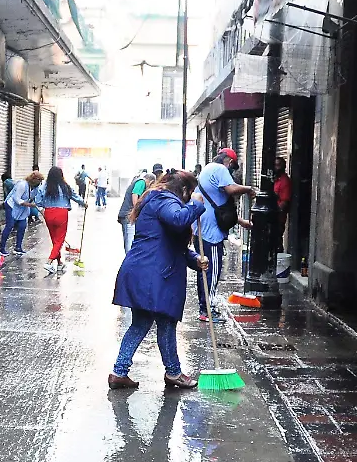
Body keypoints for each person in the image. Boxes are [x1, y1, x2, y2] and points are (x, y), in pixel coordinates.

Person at [109, 171, 209, 390]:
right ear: (183, 190)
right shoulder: (164, 199)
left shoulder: (156, 199)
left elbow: (172, 243)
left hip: (148, 270)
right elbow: (178, 219)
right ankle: (173, 373)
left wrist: (195, 259)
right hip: (154, 274)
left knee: (142, 323)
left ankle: (119, 372)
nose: (189, 197)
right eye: (189, 193)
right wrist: (196, 205)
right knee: (165, 322)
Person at [194, 148, 257, 323]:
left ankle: (205, 307)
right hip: (211, 232)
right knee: (211, 271)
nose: (231, 171)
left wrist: (242, 222)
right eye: (233, 167)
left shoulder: (208, 169)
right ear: (228, 161)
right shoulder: (220, 169)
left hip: (203, 227)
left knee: (205, 269)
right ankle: (206, 310)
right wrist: (248, 189)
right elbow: (230, 190)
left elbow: (220, 206)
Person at [35, 166, 87, 274]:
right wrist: (83, 203)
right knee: (59, 240)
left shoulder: (44, 186)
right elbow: (75, 196)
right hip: (61, 214)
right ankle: (49, 262)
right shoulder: (64, 186)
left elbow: (38, 201)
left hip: (48, 213)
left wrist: (42, 210)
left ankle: (59, 263)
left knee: (55, 240)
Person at [0, 170, 43, 257]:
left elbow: (35, 199)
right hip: (12, 206)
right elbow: (17, 199)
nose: (40, 183)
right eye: (39, 181)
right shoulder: (22, 185)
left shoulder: (35, 188)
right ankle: (1, 248)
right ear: (33, 180)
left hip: (23, 208)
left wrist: (41, 209)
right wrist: (29, 205)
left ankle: (18, 248)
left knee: (22, 226)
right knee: (10, 225)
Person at [116, 170, 154, 253]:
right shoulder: (141, 182)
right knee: (129, 241)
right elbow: (135, 194)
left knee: (128, 240)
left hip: (126, 215)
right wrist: (136, 210)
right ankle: (129, 261)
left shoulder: (138, 181)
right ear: (151, 182)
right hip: (128, 215)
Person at [272, 157, 292, 260]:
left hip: (278, 218)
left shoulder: (284, 181)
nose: (276, 168)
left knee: (277, 241)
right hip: (272, 217)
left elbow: (284, 202)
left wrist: (275, 214)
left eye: (278, 165)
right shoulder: (275, 179)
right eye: (275, 165)